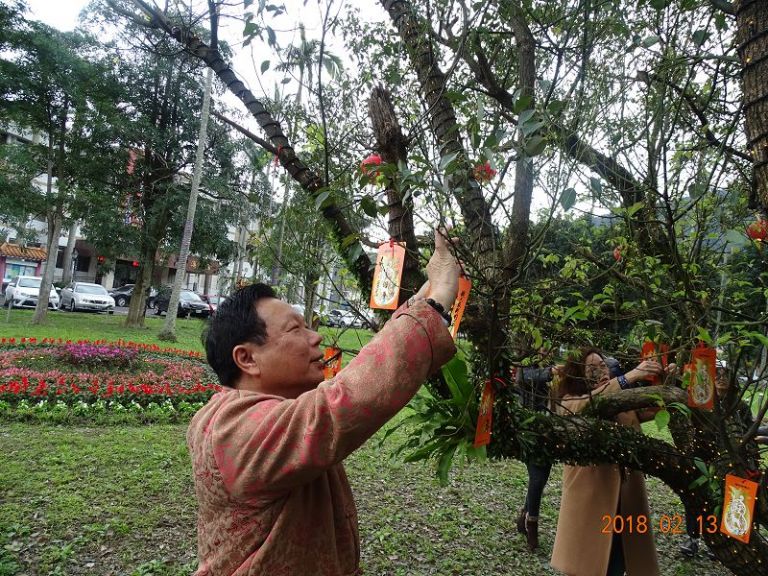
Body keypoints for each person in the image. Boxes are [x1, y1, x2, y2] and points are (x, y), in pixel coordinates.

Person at [187, 229, 461, 576]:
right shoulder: (234, 429)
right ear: (247, 359)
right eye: (295, 330)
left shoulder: (254, 412)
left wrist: (430, 289)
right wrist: (440, 297)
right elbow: (341, 404)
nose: (316, 337)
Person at [551, 348, 667, 576]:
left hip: (625, 506)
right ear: (578, 375)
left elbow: (655, 406)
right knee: (587, 566)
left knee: (617, 563)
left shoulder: (620, 399)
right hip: (590, 507)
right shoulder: (571, 401)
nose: (601, 371)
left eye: (603, 366)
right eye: (592, 368)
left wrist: (664, 378)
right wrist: (628, 377)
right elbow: (587, 406)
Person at [514, 348, 561, 551]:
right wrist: (551, 372)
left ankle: (524, 515)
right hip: (529, 431)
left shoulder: (549, 369)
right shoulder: (526, 368)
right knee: (537, 477)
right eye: (541, 347)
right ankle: (531, 523)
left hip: (549, 432)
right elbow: (523, 377)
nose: (545, 350)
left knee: (541, 477)